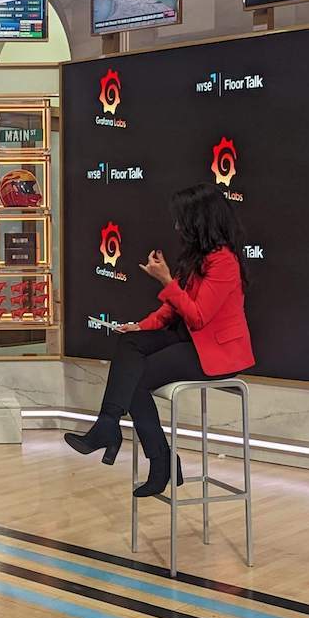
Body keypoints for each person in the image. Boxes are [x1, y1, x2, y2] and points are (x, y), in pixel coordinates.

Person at [64, 183, 255, 496]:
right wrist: (139, 327)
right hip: (187, 339)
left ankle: (159, 458)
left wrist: (166, 279)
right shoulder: (196, 257)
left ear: (199, 220)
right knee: (129, 344)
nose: (177, 226)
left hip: (216, 352)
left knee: (136, 378)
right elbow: (170, 310)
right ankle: (108, 423)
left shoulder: (224, 262)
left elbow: (197, 316)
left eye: (182, 219)